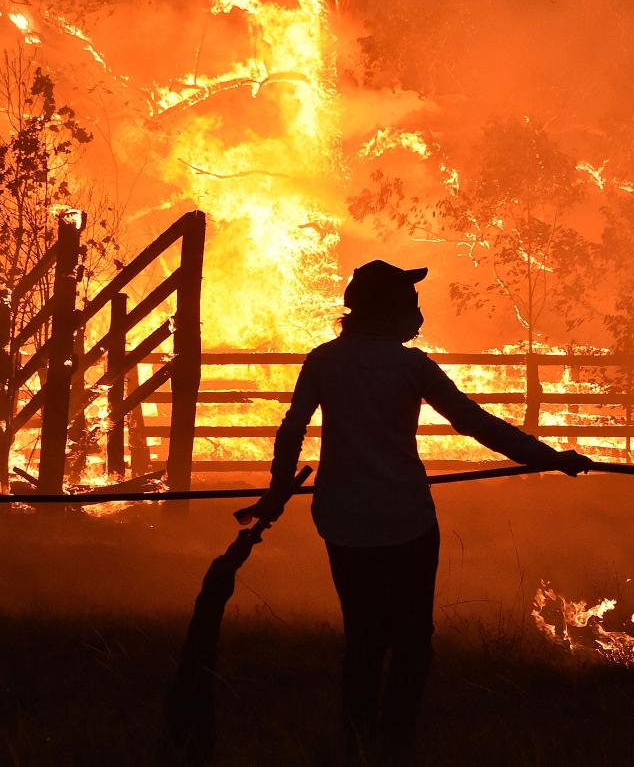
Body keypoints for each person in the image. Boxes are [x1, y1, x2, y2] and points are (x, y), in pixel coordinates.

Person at [238, 259, 594, 764]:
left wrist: (277, 492)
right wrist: (550, 458)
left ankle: (358, 740)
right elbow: (476, 424)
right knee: (412, 639)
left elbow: (293, 428)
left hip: (344, 520)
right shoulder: (412, 367)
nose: (420, 317)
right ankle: (394, 743)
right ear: (388, 310)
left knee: (363, 634)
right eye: (412, 304)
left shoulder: (324, 362)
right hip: (406, 521)